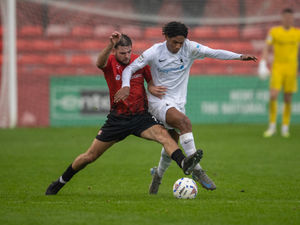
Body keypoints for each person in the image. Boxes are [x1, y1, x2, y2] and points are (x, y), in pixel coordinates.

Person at [45, 32, 203, 195]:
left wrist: (151, 87)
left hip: (140, 117)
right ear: (115, 51)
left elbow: (150, 82)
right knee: (90, 156)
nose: (127, 56)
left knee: (164, 136)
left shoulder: (139, 61)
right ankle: (60, 181)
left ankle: (183, 162)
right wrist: (109, 45)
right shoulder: (110, 62)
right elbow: (99, 63)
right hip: (117, 120)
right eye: (122, 53)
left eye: (129, 52)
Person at [114, 21, 257, 194]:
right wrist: (126, 85)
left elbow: (214, 52)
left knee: (172, 142)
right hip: (159, 101)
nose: (178, 46)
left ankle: (158, 176)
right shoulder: (155, 51)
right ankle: (198, 171)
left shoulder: (189, 48)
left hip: (178, 103)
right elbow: (129, 69)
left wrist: (238, 56)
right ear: (166, 37)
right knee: (184, 123)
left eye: (181, 42)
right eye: (174, 42)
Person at [258, 8, 300, 138]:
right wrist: (263, 63)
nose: (288, 19)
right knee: (273, 95)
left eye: (290, 17)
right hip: (278, 67)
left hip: (292, 68)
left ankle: (285, 127)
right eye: (286, 17)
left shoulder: (297, 33)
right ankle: (272, 126)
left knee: (288, 97)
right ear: (282, 18)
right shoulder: (275, 32)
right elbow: (266, 47)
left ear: (293, 19)